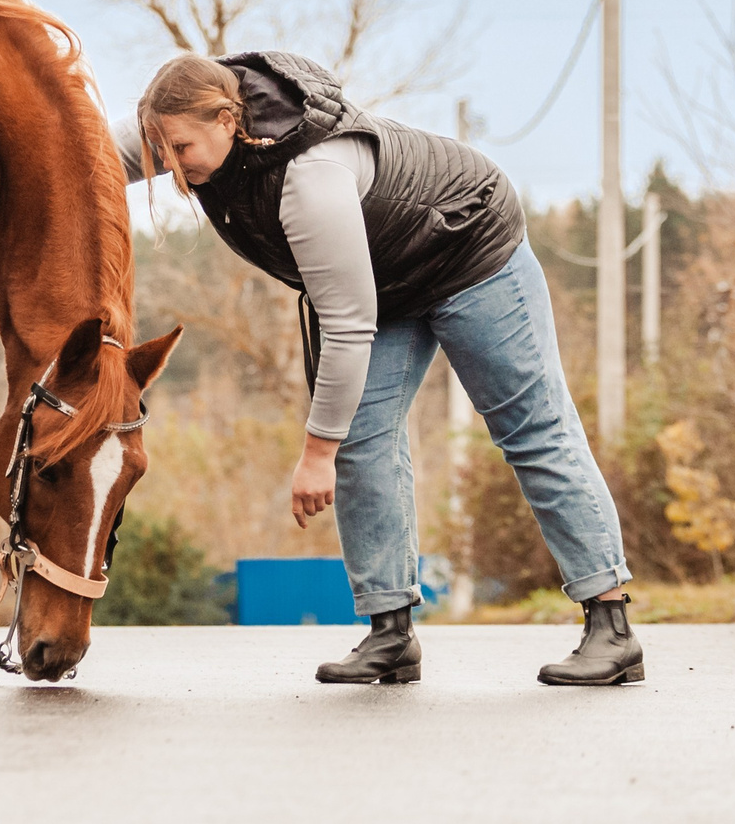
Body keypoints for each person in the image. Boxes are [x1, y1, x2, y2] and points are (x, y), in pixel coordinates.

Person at [116, 50, 642, 686]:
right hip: (384, 277)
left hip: (468, 247)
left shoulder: (310, 177)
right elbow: (84, 150)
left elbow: (346, 324)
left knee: (530, 427)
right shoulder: (182, 116)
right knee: (363, 442)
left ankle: (611, 627)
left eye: (179, 148)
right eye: (157, 147)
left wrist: (315, 451)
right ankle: (390, 633)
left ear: (228, 120)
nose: (168, 165)